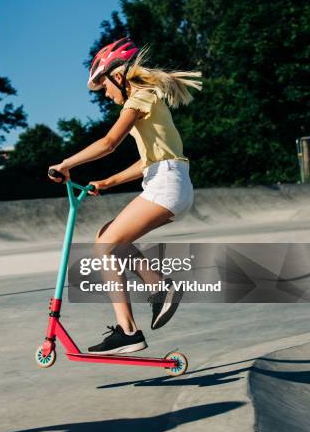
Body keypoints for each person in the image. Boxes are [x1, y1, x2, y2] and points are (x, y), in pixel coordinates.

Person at [49, 37, 202, 354]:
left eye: (104, 85)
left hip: (167, 184)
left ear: (117, 75)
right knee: (108, 237)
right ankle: (157, 290)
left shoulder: (140, 97)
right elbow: (147, 161)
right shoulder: (146, 101)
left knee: (105, 245)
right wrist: (107, 182)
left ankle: (130, 329)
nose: (106, 93)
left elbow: (108, 143)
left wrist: (66, 164)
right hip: (167, 180)